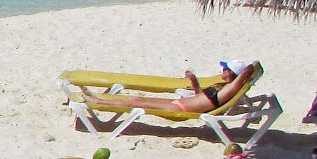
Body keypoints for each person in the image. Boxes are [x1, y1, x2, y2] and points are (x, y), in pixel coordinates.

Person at [81, 61, 256, 114]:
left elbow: (246, 73)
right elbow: (199, 96)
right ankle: (98, 99)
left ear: (233, 73)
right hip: (180, 102)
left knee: (137, 102)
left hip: (180, 108)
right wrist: (195, 81)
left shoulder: (229, 89)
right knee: (138, 99)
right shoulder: (222, 86)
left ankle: (98, 100)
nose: (222, 70)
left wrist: (250, 68)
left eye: (226, 69)